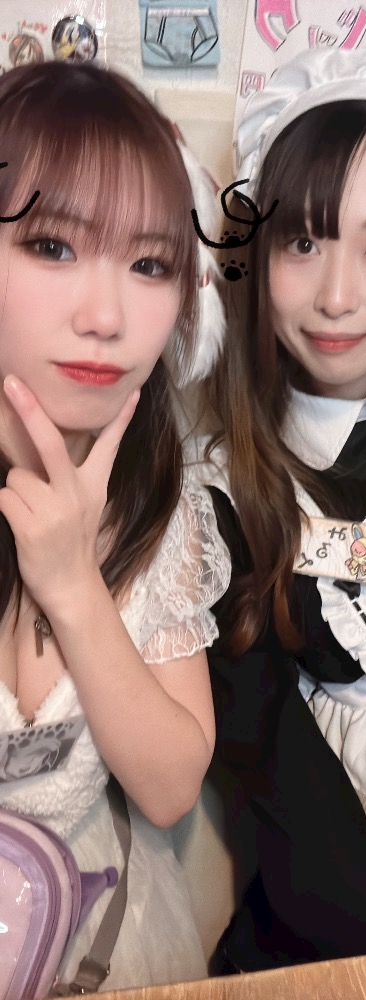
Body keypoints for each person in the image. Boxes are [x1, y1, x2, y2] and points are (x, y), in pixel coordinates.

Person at [188, 38, 366, 971]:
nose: (336, 297)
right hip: (359, 866)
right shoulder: (224, 489)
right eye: (302, 242)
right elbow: (268, 757)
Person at [0, 59, 230, 991]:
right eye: (52, 245)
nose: (106, 317)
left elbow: (170, 787)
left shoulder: (165, 500)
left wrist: (72, 587)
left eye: (149, 264)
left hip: (97, 921)